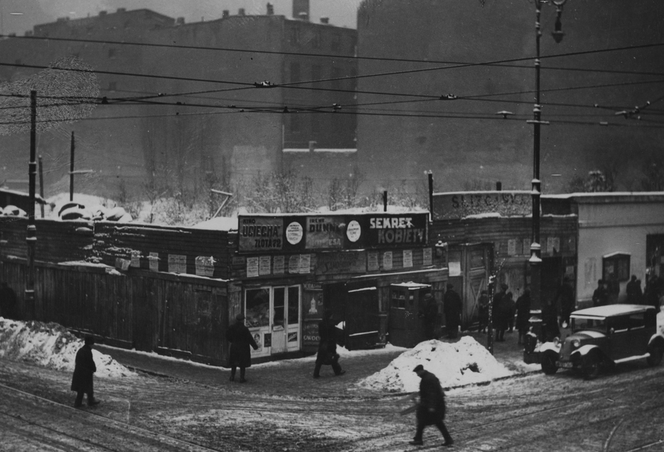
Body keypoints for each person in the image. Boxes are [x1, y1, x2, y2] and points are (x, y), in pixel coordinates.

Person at [409, 364, 454, 447]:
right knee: (425, 421)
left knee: (433, 422)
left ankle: (448, 439)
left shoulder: (428, 379)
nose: (417, 374)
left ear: (421, 371)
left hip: (433, 405)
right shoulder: (428, 377)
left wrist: (431, 406)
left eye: (417, 372)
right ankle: (419, 439)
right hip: (432, 404)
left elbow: (432, 393)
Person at [226, 313, 259, 383]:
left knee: (234, 363)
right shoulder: (244, 329)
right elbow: (250, 339)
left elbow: (227, 335)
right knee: (242, 364)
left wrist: (232, 341)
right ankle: (242, 378)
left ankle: (232, 376)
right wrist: (255, 346)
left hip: (234, 347)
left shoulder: (232, 327)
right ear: (242, 320)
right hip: (243, 348)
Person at [313, 310, 346, 378]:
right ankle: (337, 371)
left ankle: (316, 373)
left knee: (320, 359)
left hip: (323, 343)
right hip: (330, 343)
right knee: (332, 357)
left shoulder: (321, 324)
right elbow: (334, 334)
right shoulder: (331, 324)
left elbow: (320, 333)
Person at [71, 335, 100, 408]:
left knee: (83, 389)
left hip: (80, 373)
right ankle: (82, 403)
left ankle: (86, 401)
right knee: (84, 389)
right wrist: (93, 368)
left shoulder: (81, 350)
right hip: (85, 373)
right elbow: (90, 362)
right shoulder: (87, 351)